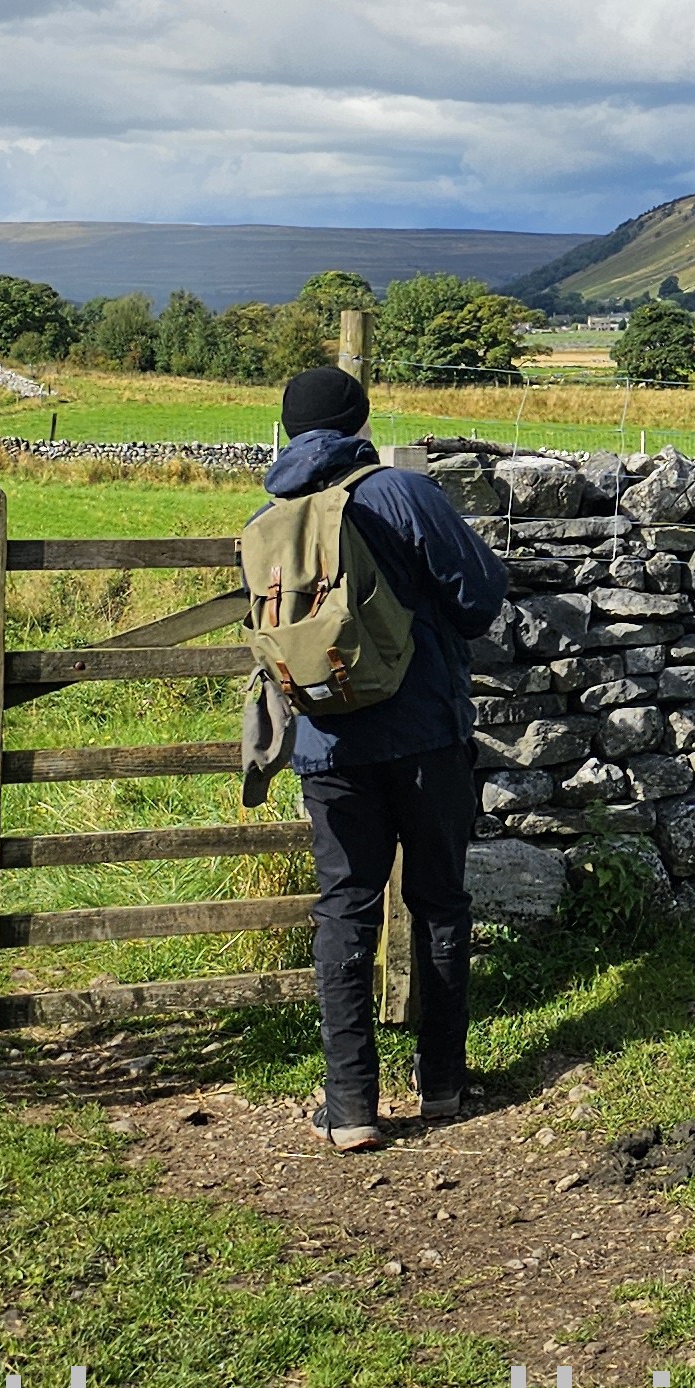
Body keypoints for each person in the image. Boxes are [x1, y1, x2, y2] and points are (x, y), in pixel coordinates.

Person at [255, 362, 508, 1149]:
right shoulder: (400, 492)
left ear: (291, 431)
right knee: (438, 900)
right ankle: (440, 1084)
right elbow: (479, 600)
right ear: (360, 421)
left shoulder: (274, 514)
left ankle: (350, 1106)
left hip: (327, 742)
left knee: (344, 908)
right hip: (426, 732)